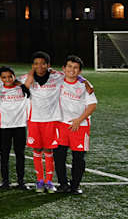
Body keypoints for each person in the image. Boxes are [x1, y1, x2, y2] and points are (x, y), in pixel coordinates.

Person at [54, 55, 97, 195]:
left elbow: (92, 105)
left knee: (78, 157)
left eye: (75, 68)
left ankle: (75, 185)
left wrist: (79, 120)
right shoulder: (57, 81)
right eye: (69, 67)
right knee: (59, 155)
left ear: (79, 71)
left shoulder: (85, 85)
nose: (72, 70)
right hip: (60, 124)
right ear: (64, 69)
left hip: (80, 125)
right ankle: (63, 184)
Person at [22, 51, 63, 193]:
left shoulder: (57, 77)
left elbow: (73, 76)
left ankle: (49, 181)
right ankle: (40, 181)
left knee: (48, 150)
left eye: (43, 63)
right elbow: (21, 88)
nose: (39, 66)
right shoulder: (27, 78)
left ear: (48, 65)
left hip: (51, 120)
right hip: (34, 120)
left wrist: (85, 82)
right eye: (36, 64)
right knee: (37, 149)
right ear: (32, 66)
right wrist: (30, 75)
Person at [0, 66, 30, 189]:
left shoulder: (22, 86)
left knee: (20, 154)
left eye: (10, 76)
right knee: (5, 155)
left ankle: (21, 181)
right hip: (5, 127)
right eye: (4, 77)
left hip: (20, 126)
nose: (7, 79)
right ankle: (5, 181)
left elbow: (34, 73)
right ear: (0, 78)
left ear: (15, 76)